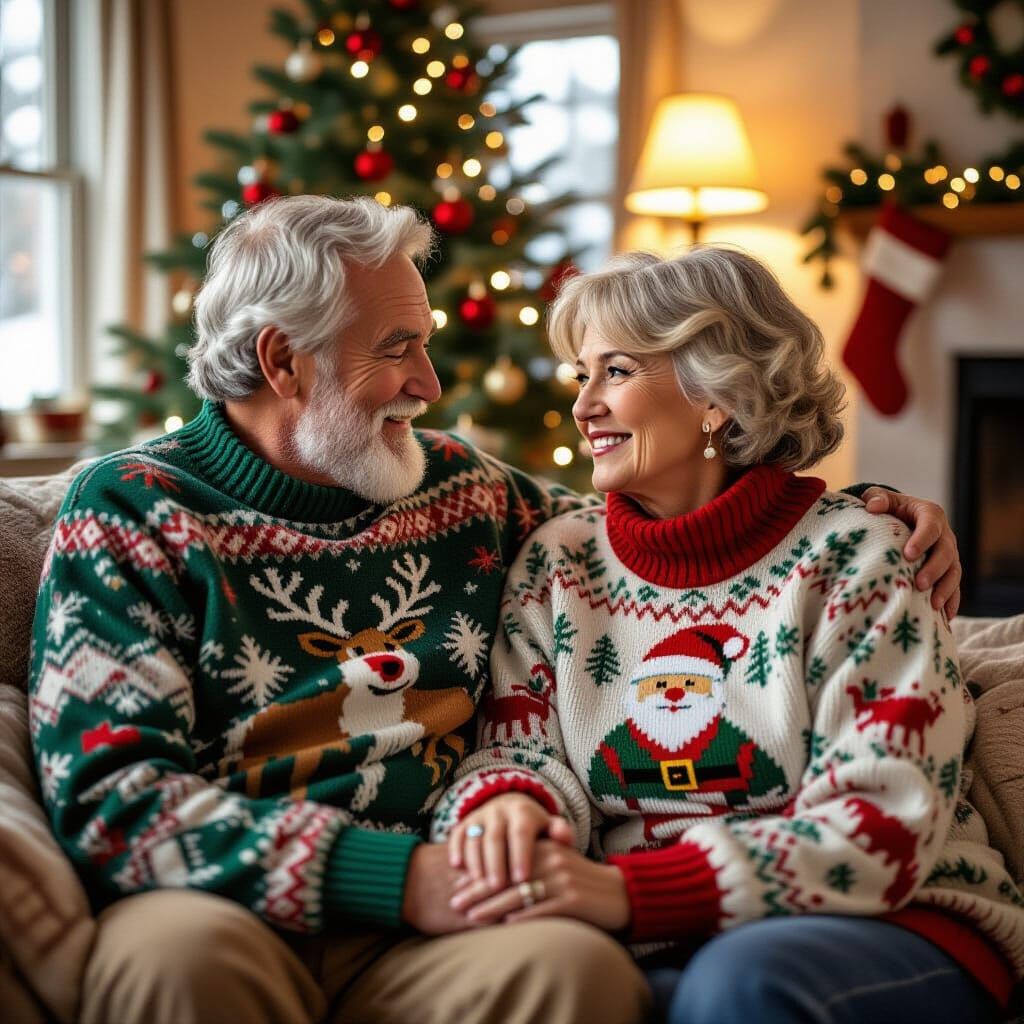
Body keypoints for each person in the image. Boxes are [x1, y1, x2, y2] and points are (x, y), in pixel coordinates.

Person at [28, 197, 960, 1024]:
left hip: (449, 920)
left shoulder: (468, 492)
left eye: (425, 344)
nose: (432, 386)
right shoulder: (131, 510)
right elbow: (113, 801)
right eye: (398, 350)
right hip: (225, 905)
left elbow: (670, 539)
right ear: (284, 361)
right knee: (179, 968)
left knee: (569, 970)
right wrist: (400, 878)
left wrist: (861, 511)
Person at [435, 247, 1024, 1024]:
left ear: (716, 395)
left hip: (887, 918)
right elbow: (519, 748)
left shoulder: (858, 556)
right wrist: (503, 806)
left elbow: (883, 816)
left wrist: (628, 893)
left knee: (730, 991)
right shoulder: (558, 558)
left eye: (616, 371)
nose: (583, 406)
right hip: (647, 932)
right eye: (581, 375)